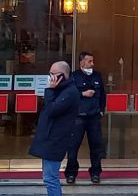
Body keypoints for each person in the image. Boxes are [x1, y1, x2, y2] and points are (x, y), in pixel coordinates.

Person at [29, 61, 80, 196]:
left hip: (56, 140)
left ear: (63, 76)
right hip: (50, 138)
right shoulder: (61, 90)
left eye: (53, 74)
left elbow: (52, 110)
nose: (50, 78)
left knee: (51, 178)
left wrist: (50, 90)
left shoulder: (69, 92)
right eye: (49, 74)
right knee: (48, 177)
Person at [65, 51, 106, 184]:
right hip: (78, 117)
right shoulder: (74, 76)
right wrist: (82, 94)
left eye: (92, 61)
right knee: (73, 146)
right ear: (82, 62)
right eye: (89, 61)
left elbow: (103, 95)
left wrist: (101, 111)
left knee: (96, 146)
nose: (92, 64)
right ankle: (71, 173)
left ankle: (95, 172)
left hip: (94, 116)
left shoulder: (97, 76)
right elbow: (68, 94)